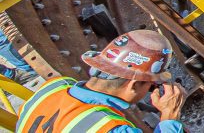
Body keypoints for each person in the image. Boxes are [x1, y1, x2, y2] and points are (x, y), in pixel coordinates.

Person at [15, 30, 187, 132]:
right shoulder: (107, 127)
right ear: (134, 84)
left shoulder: (52, 88)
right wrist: (169, 117)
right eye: (151, 86)